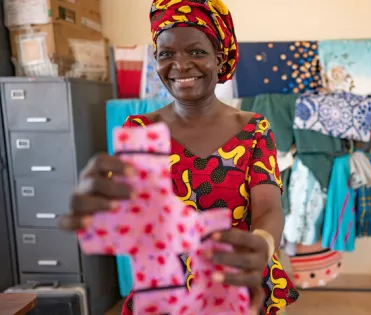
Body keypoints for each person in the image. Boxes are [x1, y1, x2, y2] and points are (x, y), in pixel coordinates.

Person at [58, 0, 299, 314]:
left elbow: (269, 207)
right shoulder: (141, 131)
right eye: (166, 54)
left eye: (196, 51)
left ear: (219, 58)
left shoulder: (253, 129)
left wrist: (263, 246)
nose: (180, 65)